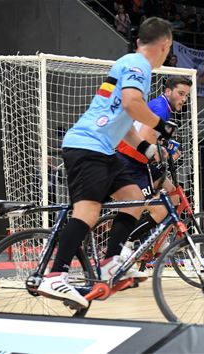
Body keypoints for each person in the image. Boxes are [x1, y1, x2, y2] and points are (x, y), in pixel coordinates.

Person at [36, 17, 175, 309]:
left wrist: (147, 148)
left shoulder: (127, 63)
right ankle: (55, 274)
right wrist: (162, 127)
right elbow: (132, 105)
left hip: (101, 149)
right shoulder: (139, 66)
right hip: (87, 147)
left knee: (134, 198)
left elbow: (122, 121)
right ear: (165, 45)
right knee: (88, 210)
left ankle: (111, 262)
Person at [116, 75, 192, 244]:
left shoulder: (161, 106)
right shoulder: (161, 108)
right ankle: (126, 246)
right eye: (181, 93)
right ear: (167, 91)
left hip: (140, 161)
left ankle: (158, 242)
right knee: (160, 211)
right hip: (129, 161)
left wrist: (166, 144)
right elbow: (145, 136)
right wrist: (162, 151)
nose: (184, 99)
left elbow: (151, 135)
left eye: (186, 95)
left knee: (174, 197)